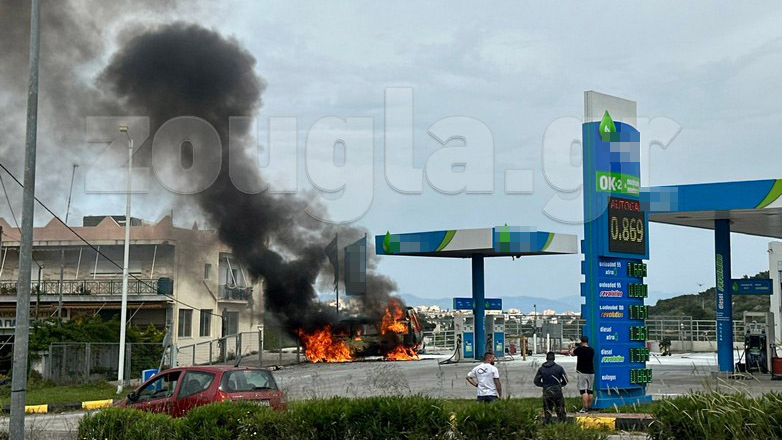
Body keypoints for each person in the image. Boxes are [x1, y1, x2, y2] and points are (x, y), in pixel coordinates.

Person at [534, 351, 568, 424]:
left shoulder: (541, 369)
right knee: (560, 408)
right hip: (557, 391)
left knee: (547, 409)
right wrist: (560, 385)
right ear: (554, 358)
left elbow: (536, 381)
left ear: (546, 358)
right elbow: (565, 380)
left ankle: (548, 424)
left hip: (547, 391)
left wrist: (544, 385)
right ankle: (563, 423)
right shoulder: (559, 368)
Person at [571, 336, 595, 413]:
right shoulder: (591, 350)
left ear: (581, 341)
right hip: (591, 372)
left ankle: (585, 408)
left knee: (583, 391)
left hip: (582, 372)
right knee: (590, 391)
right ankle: (590, 407)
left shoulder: (579, 350)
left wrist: (574, 347)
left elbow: (572, 353)